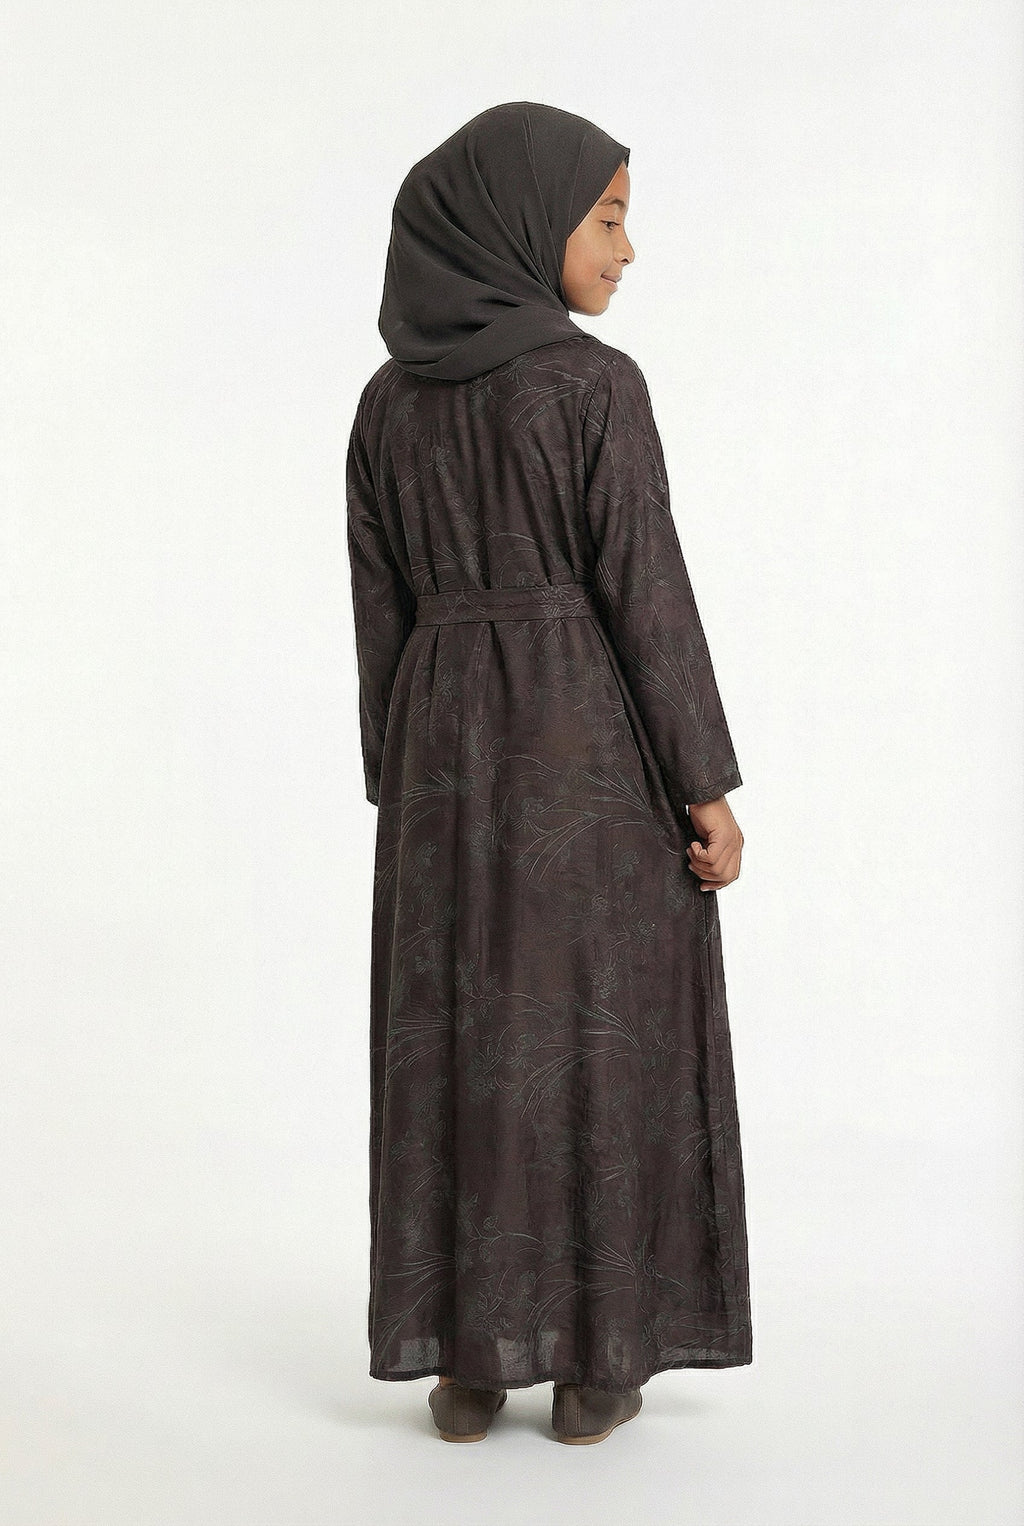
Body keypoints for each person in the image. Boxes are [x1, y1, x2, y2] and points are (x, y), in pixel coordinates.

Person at [346, 101, 751, 1445]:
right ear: (522, 224)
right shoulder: (592, 386)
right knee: (595, 1034)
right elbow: (646, 592)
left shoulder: (386, 404)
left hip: (441, 769)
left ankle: (468, 1366)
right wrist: (703, 784)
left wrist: (400, 785)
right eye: (609, 218)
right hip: (582, 753)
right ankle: (596, 1363)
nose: (627, 250)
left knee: (463, 1041)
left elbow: (380, 610)